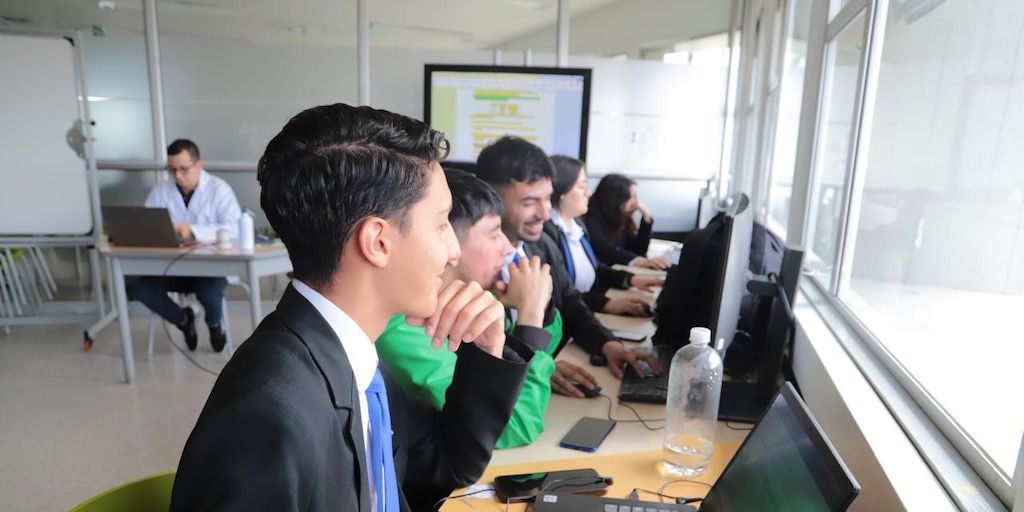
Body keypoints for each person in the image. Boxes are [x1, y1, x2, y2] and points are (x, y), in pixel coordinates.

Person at [170, 104, 533, 512]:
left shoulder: (355, 357)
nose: (453, 250)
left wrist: (485, 351)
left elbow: (446, 463)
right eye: (441, 223)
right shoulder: (267, 411)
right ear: (377, 242)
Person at [377, 168, 557, 449]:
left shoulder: (473, 303)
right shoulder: (402, 326)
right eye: (494, 234)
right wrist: (531, 318)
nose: (508, 248)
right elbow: (513, 426)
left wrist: (537, 312)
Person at [474, 136, 661, 383]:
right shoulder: (473, 265)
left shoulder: (541, 245)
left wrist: (608, 344)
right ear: (490, 200)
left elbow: (571, 303)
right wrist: (535, 364)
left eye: (547, 199)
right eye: (529, 202)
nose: (544, 214)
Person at [133, 139, 241, 352]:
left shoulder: (219, 190)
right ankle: (183, 320)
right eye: (172, 170)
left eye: (183, 169)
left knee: (208, 292)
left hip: (211, 268)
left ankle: (214, 325)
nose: (178, 176)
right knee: (143, 289)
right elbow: (147, 224)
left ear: (198, 165)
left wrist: (191, 230)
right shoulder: (161, 191)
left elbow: (234, 229)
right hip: (174, 267)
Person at [546, 155, 664, 316]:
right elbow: (563, 296)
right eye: (581, 187)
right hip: (571, 320)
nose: (588, 193)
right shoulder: (548, 235)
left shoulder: (577, 226)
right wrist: (606, 304)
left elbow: (594, 269)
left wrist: (631, 279)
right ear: (561, 190)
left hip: (586, 311)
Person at [583, 173, 670, 270]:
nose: (635, 203)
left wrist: (646, 218)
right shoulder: (591, 218)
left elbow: (639, 251)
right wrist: (639, 261)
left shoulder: (622, 217)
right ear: (614, 199)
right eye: (629, 198)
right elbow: (606, 249)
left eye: (635, 197)